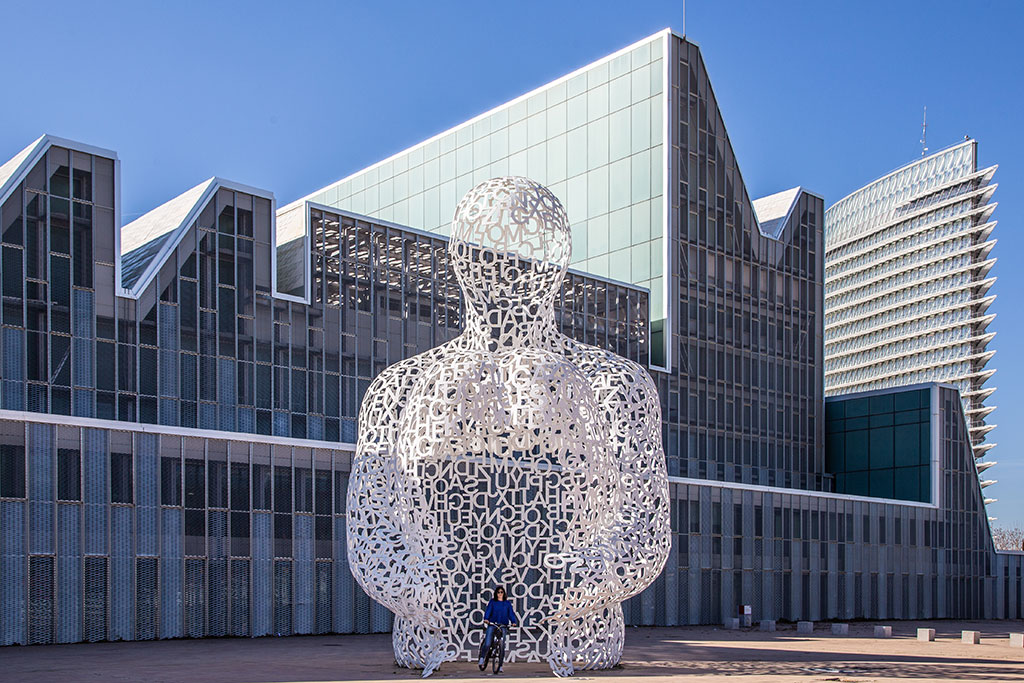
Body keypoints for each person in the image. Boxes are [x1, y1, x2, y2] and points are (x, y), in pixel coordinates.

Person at [479, 586, 518, 672]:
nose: (500, 594)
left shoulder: (507, 603)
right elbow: (488, 611)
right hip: (493, 624)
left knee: (502, 645)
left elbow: (510, 613)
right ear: (496, 594)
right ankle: (482, 657)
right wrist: (486, 619)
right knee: (488, 643)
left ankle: (500, 665)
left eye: (501, 592)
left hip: (503, 624)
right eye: (498, 592)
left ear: (504, 594)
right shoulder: (493, 602)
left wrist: (513, 621)